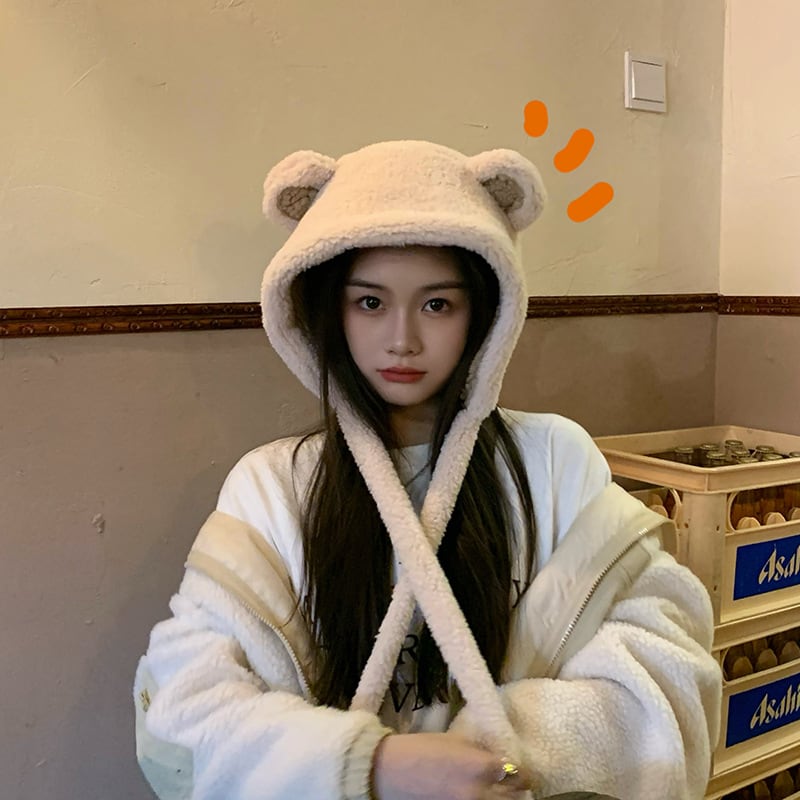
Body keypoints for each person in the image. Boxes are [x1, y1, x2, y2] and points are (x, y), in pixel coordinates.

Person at [133, 140, 722, 800]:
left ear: (486, 314)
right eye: (370, 303)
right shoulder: (272, 488)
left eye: (437, 304)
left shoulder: (555, 459)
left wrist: (503, 757)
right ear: (326, 311)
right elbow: (177, 716)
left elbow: (666, 661)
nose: (402, 340)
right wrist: (369, 766)